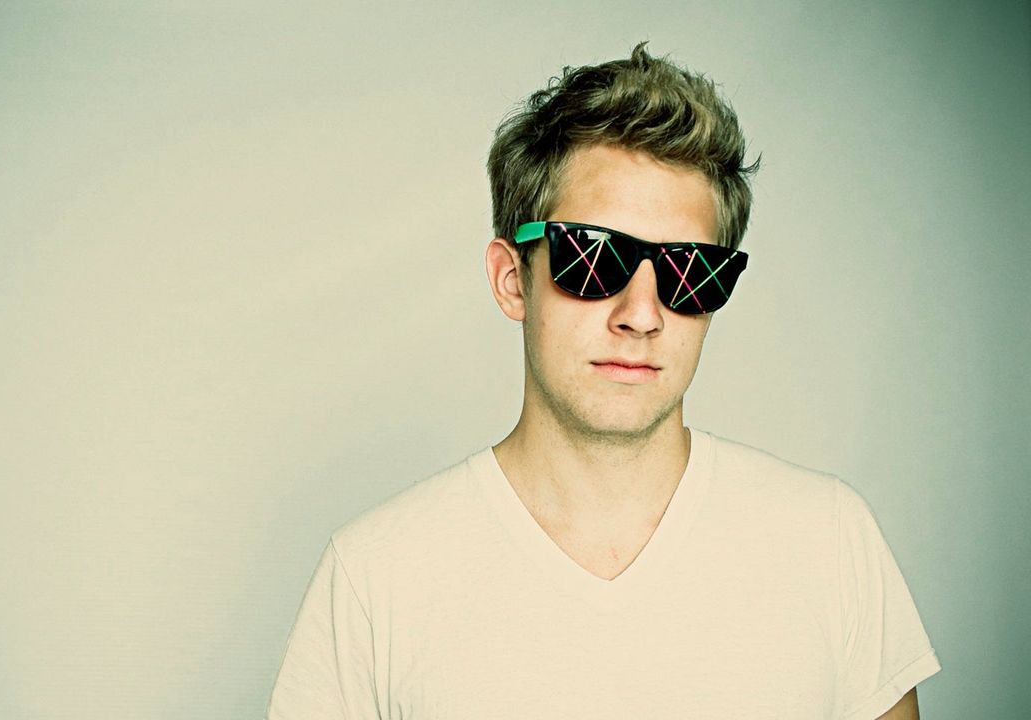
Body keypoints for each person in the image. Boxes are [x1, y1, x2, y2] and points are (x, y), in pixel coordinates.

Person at [265, 42, 940, 719]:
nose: (642, 314)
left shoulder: (828, 542)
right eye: (592, 257)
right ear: (512, 279)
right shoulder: (374, 578)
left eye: (689, 271)